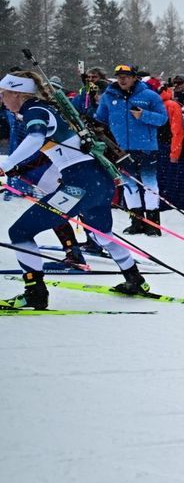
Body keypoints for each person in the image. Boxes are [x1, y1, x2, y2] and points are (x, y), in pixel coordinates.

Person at [0, 70, 148, 309]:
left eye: (3, 93)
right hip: (98, 183)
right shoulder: (45, 109)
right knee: (103, 235)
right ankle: (134, 279)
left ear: (18, 93)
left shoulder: (34, 110)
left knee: (20, 232)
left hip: (80, 186)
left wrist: (6, 166)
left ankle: (35, 293)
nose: (2, 99)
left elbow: (36, 137)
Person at [94, 64, 170, 236]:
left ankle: (152, 224)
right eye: (119, 76)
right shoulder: (109, 96)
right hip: (120, 149)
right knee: (129, 185)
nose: (122, 79)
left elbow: (163, 119)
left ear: (135, 77)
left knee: (149, 184)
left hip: (146, 148)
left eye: (126, 76)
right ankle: (136, 222)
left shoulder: (149, 95)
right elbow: (100, 120)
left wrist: (144, 115)